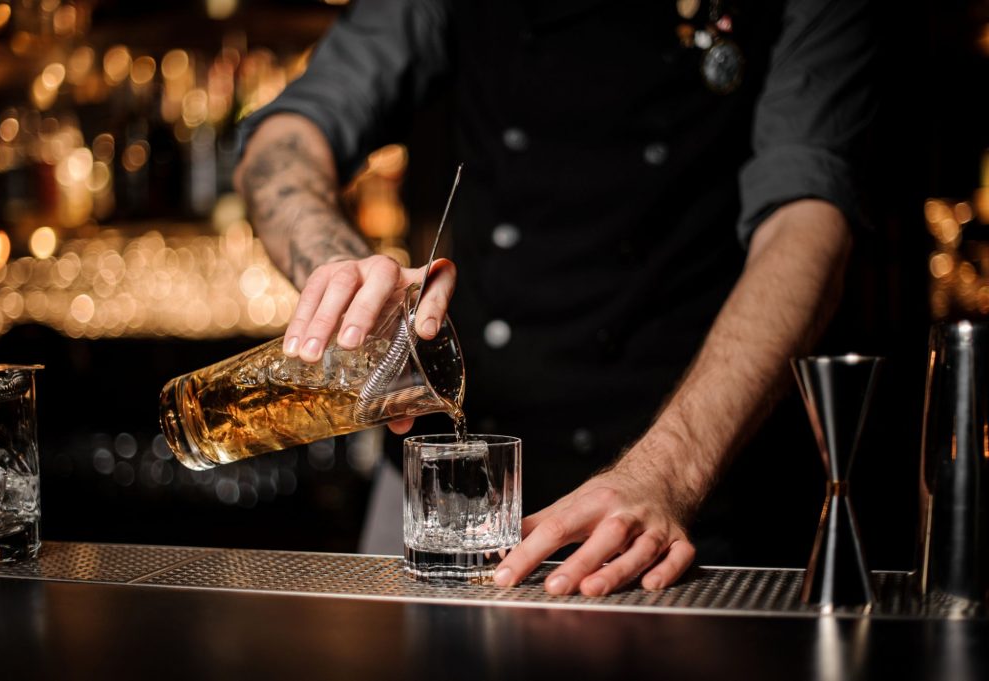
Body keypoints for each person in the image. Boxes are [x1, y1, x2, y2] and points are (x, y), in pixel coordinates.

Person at [235, 0, 874, 596]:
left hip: (695, 479)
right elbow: (285, 139)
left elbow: (809, 219)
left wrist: (670, 472)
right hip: (462, 489)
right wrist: (339, 272)